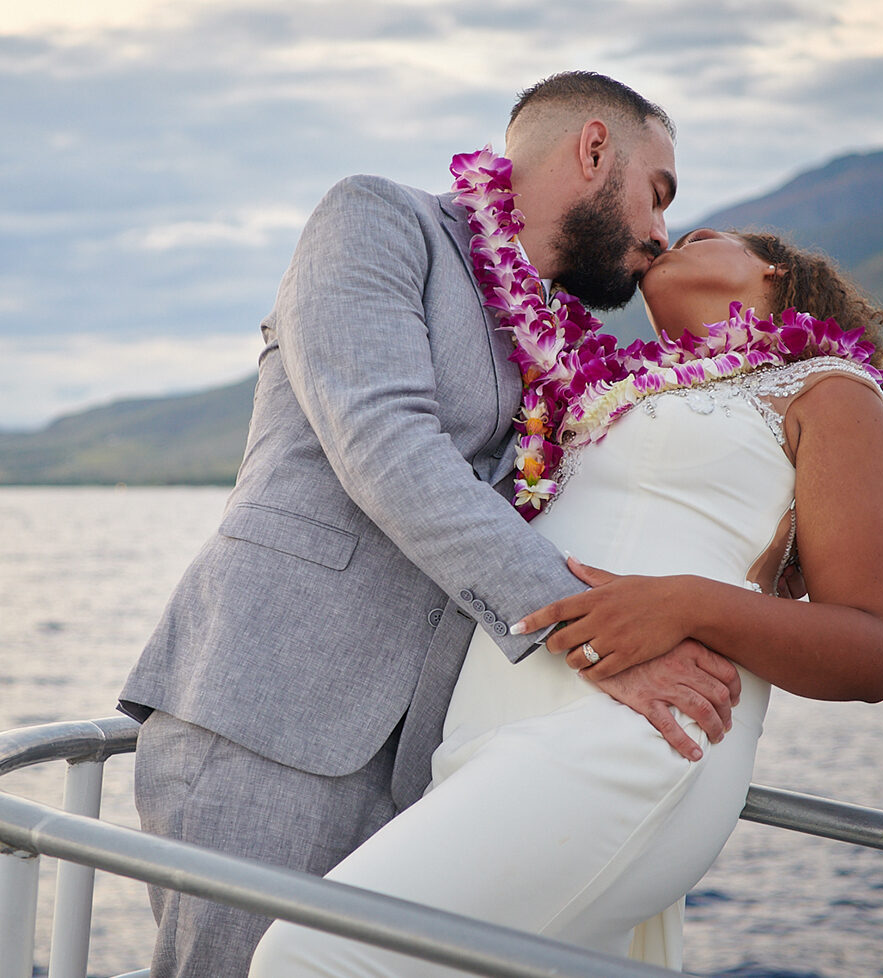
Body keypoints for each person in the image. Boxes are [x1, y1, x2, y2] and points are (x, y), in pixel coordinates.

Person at [117, 72, 746, 978]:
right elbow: (385, 445)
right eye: (660, 192)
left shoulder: (558, 337)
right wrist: (604, 638)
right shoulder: (375, 219)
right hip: (270, 718)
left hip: (430, 763)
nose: (659, 234)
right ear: (594, 148)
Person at [247, 201, 883, 976]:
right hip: (483, 728)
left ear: (776, 272)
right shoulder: (611, 395)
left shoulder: (829, 390)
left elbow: (874, 647)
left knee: (311, 950)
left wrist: (686, 602)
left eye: (696, 234)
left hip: (632, 736)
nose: (664, 238)